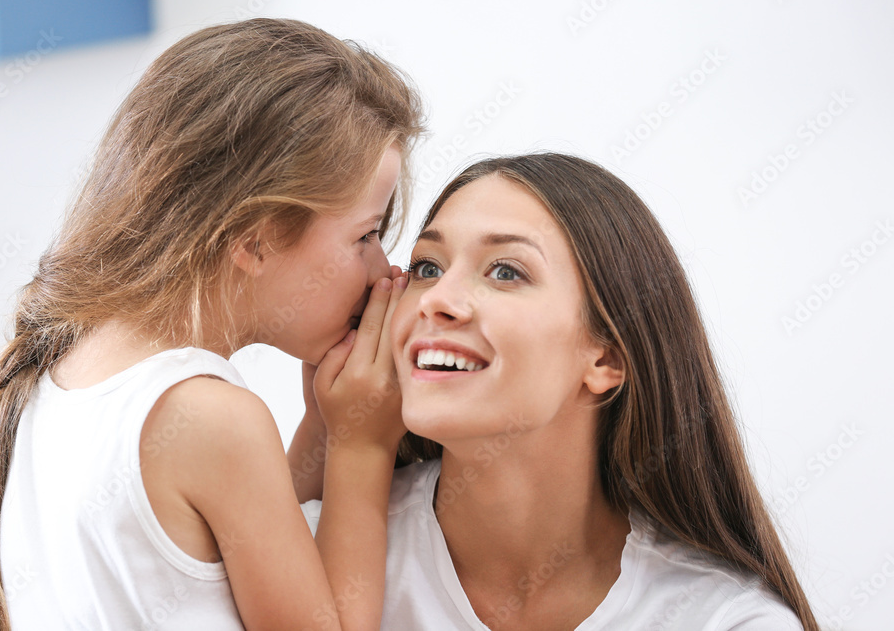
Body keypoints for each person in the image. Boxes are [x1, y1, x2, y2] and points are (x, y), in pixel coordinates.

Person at [0, 18, 423, 630]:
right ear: (255, 238)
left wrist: (323, 423)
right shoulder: (206, 416)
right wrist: (362, 443)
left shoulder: (76, 362)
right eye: (366, 235)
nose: (384, 271)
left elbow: (249, 546)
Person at [299, 153, 820, 630]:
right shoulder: (313, 548)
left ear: (606, 358)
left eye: (506, 271)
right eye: (427, 267)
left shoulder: (724, 621)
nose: (438, 299)